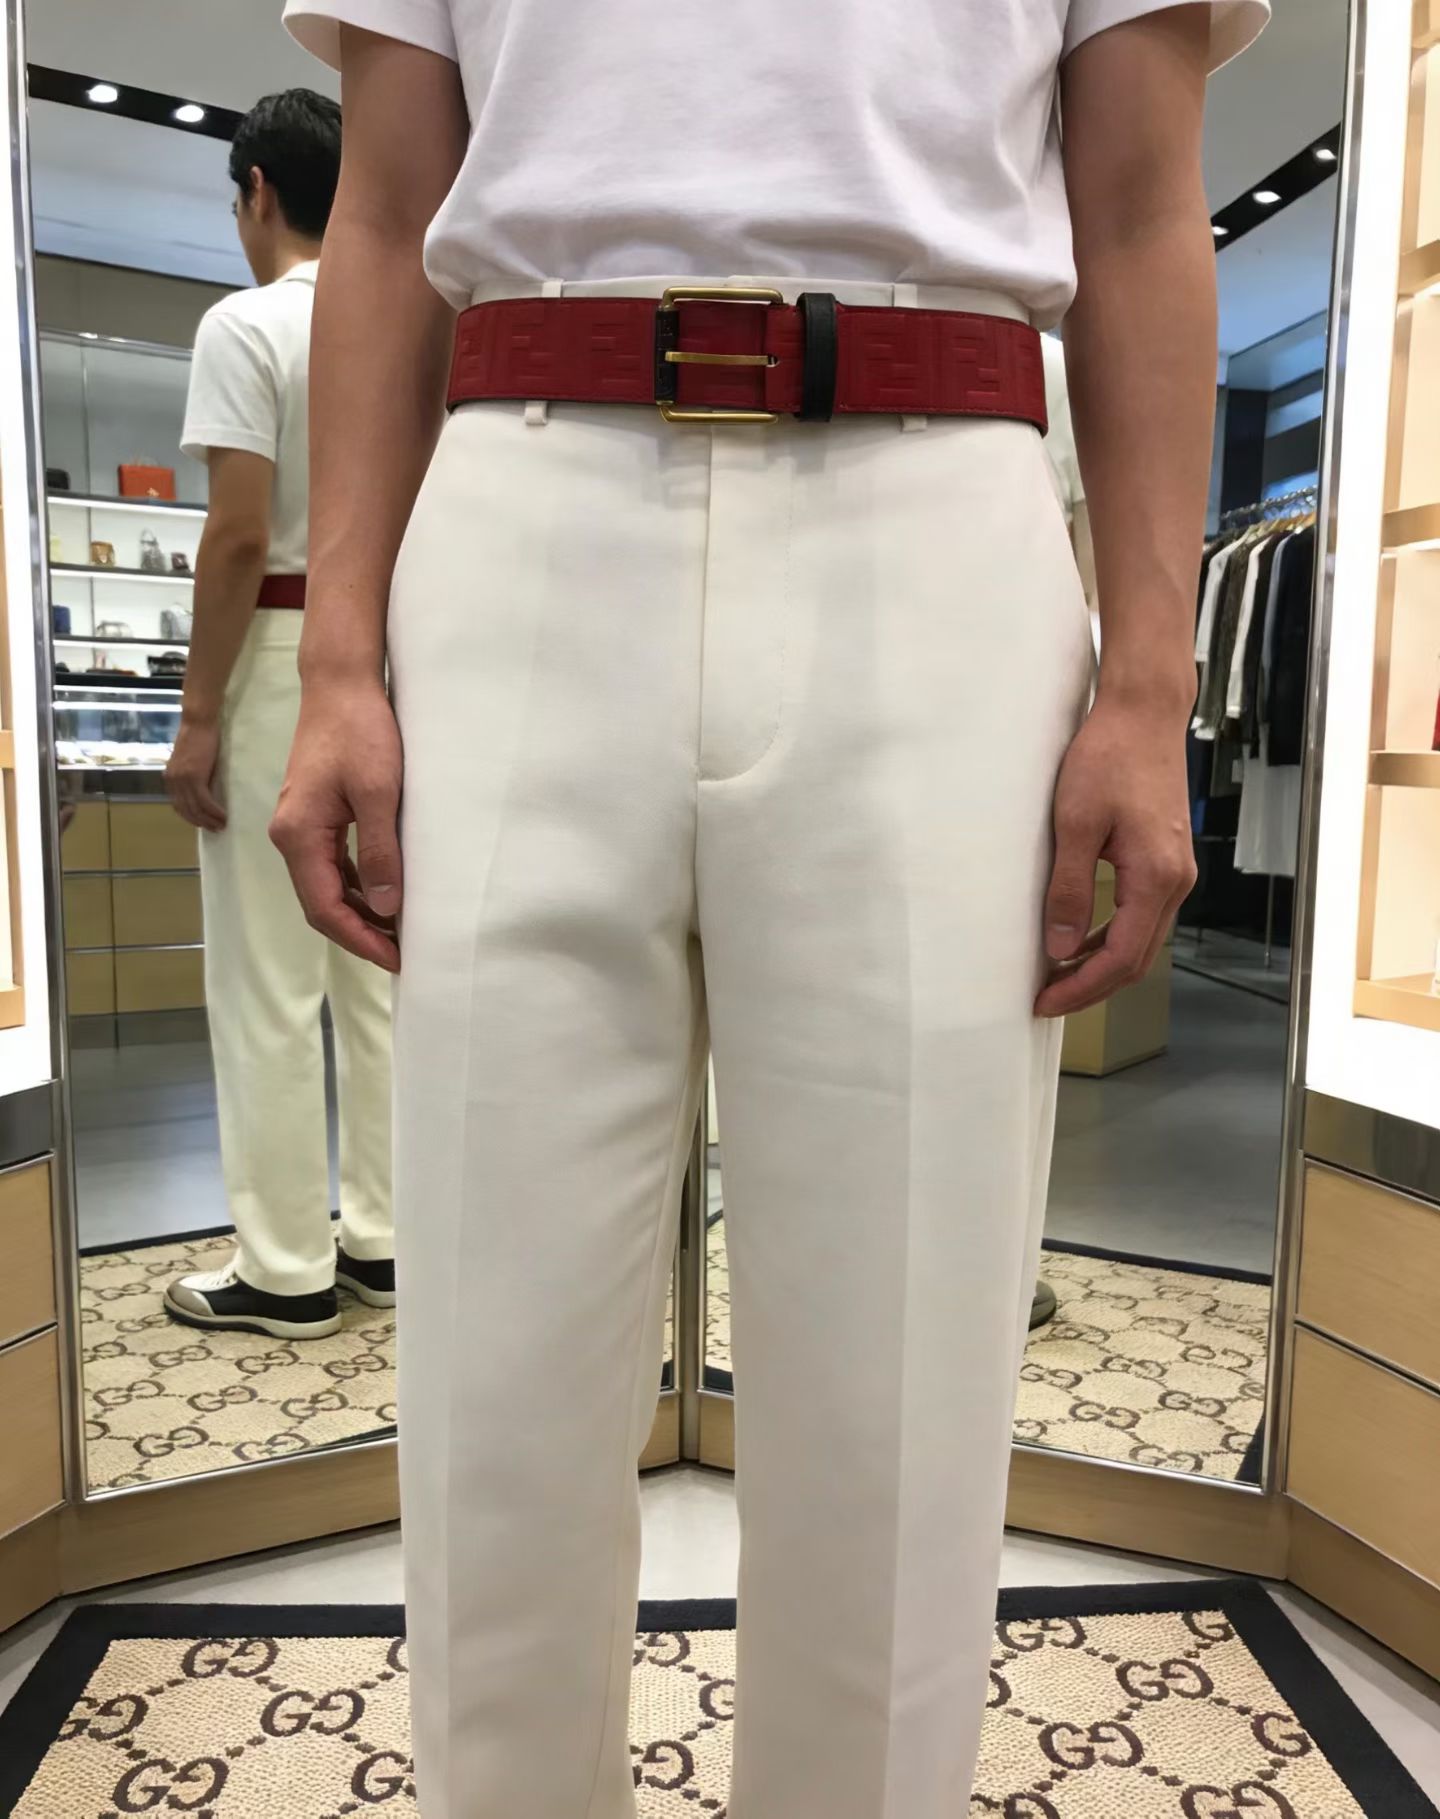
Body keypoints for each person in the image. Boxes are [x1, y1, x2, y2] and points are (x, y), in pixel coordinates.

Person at [276, 2, 1266, 1814]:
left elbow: (1140, 212)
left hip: (938, 512)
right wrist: (337, 653)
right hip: (522, 508)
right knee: (495, 1358)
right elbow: (387, 208)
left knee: (904, 1373)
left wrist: (1150, 682)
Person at [163, 89, 395, 1342]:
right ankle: (386, 1238)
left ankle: (286, 1266)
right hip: (390, 659)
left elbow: (239, 535)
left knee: (265, 976)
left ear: (256, 189)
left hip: (280, 654)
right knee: (378, 957)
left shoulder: (245, 325)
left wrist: (198, 713)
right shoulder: (403, 320)